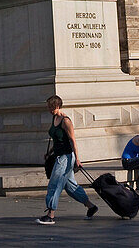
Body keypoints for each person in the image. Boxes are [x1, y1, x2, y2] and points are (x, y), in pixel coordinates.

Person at [36, 95, 97, 225]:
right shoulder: (54, 118)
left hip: (66, 158)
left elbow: (72, 140)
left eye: (51, 107)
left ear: (57, 106)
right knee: (71, 187)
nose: (49, 109)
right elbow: (58, 140)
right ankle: (91, 206)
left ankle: (50, 215)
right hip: (58, 155)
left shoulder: (66, 121)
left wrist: (77, 159)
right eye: (48, 107)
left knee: (55, 184)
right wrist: (49, 153)